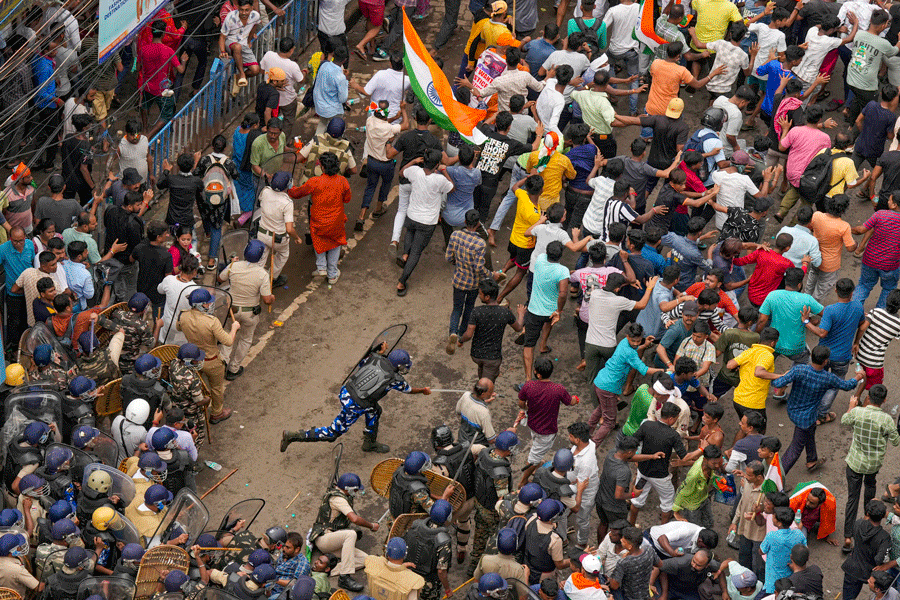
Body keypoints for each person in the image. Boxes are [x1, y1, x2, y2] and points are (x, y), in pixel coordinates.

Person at [281, 345, 431, 453]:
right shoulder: (395, 379)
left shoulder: (374, 358)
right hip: (355, 404)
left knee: (375, 410)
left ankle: (369, 442)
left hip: (346, 391)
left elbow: (363, 363)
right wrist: (423, 391)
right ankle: (294, 436)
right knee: (333, 433)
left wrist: (380, 351)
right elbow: (409, 390)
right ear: (399, 366)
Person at [775, 345, 861, 474]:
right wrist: (858, 377)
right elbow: (847, 385)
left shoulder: (799, 370)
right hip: (806, 418)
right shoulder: (828, 378)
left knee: (810, 431)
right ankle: (776, 479)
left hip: (793, 410)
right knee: (795, 449)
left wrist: (785, 375)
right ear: (826, 361)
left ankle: (812, 460)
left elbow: (777, 384)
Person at [841, 385, 899, 552]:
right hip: (873, 464)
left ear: (868, 397)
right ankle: (868, 526)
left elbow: (845, 420)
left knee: (852, 498)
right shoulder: (886, 420)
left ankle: (847, 536)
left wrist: (851, 406)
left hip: (855, 462)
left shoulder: (858, 412)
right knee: (869, 493)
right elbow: (895, 441)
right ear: (884, 400)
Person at [396, 150, 455, 296]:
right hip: (427, 221)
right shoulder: (439, 180)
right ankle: (401, 282)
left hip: (412, 215)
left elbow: (402, 172)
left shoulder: (415, 171)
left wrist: (414, 161)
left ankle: (404, 256)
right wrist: (445, 172)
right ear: (436, 165)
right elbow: (452, 188)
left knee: (410, 232)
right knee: (416, 252)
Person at [177, 288, 239, 424]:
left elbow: (178, 327)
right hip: (212, 360)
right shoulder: (212, 321)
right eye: (207, 303)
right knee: (216, 388)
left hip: (193, 359)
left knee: (198, 385)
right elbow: (228, 341)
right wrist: (234, 328)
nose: (210, 305)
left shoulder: (183, 315)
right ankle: (217, 413)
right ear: (201, 305)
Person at [289, 152, 351, 285]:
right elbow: (347, 198)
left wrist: (288, 186)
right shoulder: (343, 181)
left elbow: (296, 193)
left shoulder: (315, 182)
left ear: (322, 167)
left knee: (318, 240)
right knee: (335, 244)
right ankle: (333, 274)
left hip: (319, 221)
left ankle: (321, 267)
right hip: (337, 221)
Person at [310, 473, 378, 592]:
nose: (356, 492)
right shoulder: (338, 499)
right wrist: (371, 526)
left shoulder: (341, 493)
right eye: (355, 490)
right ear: (348, 489)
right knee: (351, 534)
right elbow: (354, 519)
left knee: (366, 559)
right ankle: (344, 577)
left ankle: (327, 570)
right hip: (324, 539)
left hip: (333, 540)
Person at [218, 240, 273, 380]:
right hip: (250, 313)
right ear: (261, 256)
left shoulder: (233, 266)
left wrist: (233, 264)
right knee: (245, 340)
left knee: (227, 334)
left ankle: (222, 361)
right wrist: (272, 298)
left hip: (232, 311)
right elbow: (267, 300)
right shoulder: (263, 274)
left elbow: (220, 278)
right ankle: (233, 368)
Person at [518, 356, 577, 484]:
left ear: (537, 373)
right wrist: (576, 399)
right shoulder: (558, 389)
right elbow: (570, 402)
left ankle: (536, 464)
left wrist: (526, 408)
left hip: (533, 425)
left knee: (537, 447)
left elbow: (521, 403)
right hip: (546, 431)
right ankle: (523, 480)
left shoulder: (529, 385)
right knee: (533, 458)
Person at [629, 402, 688, 525]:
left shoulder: (647, 425)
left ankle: (631, 524)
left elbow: (633, 441)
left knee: (637, 501)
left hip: (643, 471)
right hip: (660, 477)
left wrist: (636, 458)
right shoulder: (673, 435)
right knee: (667, 504)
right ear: (671, 418)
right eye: (676, 419)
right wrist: (701, 450)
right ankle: (662, 530)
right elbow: (684, 456)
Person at [520, 241, 569, 382]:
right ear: (561, 255)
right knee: (549, 324)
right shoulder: (562, 271)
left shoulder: (540, 259)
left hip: (534, 310)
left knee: (529, 345)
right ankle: (543, 345)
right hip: (551, 310)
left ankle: (528, 378)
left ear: (547, 252)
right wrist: (559, 311)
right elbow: (563, 293)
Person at [458, 278, 525, 382]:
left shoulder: (476, 311)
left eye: (480, 294)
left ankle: (481, 388)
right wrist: (521, 314)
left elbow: (469, 334)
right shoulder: (505, 312)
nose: (479, 296)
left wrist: (460, 340)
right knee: (487, 385)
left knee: (482, 377)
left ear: (487, 297)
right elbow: (518, 328)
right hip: (492, 358)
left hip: (476, 354)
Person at [851, 192, 900, 308]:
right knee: (888, 289)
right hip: (891, 264)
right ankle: (879, 315)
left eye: (890, 200)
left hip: (870, 260)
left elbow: (861, 230)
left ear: (894, 205)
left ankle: (854, 311)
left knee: (864, 285)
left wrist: (846, 228)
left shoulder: (880, 215)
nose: (888, 201)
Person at [139, 20, 188, 136]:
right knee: (166, 115)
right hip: (162, 89)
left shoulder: (143, 50)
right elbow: (181, 69)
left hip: (148, 87)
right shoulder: (168, 50)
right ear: (163, 34)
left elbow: (138, 67)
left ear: (152, 33)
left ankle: (145, 129)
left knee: (145, 106)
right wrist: (184, 61)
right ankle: (149, 135)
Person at [727, 328, 780, 428]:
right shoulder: (767, 355)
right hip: (753, 403)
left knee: (745, 428)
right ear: (773, 343)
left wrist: (739, 366)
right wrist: (779, 376)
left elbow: (730, 365)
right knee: (758, 432)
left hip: (738, 399)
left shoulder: (750, 351)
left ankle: (738, 444)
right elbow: (758, 372)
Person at [257, 171, 302, 288]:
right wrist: (297, 237)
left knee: (261, 258)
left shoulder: (265, 191)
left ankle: (256, 280)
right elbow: (289, 229)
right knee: (283, 254)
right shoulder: (287, 203)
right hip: (277, 238)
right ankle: (272, 278)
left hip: (261, 233)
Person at [843, 500, 891, 600]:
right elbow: (879, 560)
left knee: (848, 596)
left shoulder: (858, 523)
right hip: (868, 572)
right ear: (882, 517)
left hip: (852, 568)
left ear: (868, 514)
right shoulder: (884, 537)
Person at [856, 290, 900, 396]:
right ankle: (867, 406)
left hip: (861, 355)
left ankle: (856, 398)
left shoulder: (875, 312)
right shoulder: (898, 324)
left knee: (863, 379)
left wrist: (856, 342)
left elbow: (862, 328)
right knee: (875, 390)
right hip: (875, 363)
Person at [0, 227, 36, 351]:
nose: (18, 244)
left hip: (29, 292)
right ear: (10, 239)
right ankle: (15, 347)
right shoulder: (3, 249)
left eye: (21, 240)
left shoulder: (30, 245)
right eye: (15, 241)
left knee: (29, 319)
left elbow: (33, 263)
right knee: (15, 321)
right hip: (13, 294)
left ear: (25, 237)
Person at [219, 0, 261, 93]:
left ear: (252, 8)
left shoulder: (255, 16)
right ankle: (242, 74)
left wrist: (249, 40)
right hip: (230, 41)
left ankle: (238, 78)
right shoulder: (230, 17)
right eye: (241, 10)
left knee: (255, 70)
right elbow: (222, 37)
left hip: (243, 43)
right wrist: (222, 51)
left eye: (247, 10)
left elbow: (255, 25)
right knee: (237, 47)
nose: (244, 13)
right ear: (238, 8)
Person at [608, 527, 655, 600]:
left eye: (623, 541)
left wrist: (610, 579)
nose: (620, 540)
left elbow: (614, 586)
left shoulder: (623, 562)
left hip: (630, 596)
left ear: (630, 546)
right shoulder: (649, 550)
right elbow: (659, 564)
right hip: (645, 592)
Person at [313, 46, 349, 135]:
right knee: (336, 129)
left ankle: (316, 143)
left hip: (319, 105)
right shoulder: (340, 77)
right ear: (344, 60)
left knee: (322, 122)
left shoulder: (324, 65)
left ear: (333, 55)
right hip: (333, 110)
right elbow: (343, 99)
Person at [457, 378, 500, 446]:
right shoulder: (484, 413)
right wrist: (506, 433)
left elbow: (458, 411)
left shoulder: (466, 395)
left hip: (462, 437)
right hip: (475, 444)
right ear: (483, 394)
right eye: (491, 392)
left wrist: (485, 401)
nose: (493, 393)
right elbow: (491, 439)